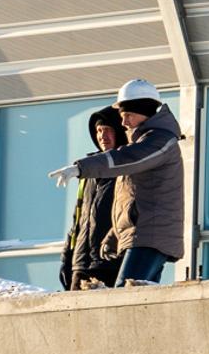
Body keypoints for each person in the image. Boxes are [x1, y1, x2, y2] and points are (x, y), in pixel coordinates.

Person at [49, 79, 183, 287]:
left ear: (144, 111)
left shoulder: (159, 141)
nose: (124, 122)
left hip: (151, 236)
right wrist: (114, 236)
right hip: (142, 235)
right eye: (122, 116)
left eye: (128, 115)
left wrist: (81, 168)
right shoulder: (142, 143)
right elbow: (131, 201)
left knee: (126, 293)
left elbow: (126, 158)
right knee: (141, 295)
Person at [59, 106, 128, 290]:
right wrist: (67, 257)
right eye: (99, 131)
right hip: (81, 263)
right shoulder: (87, 172)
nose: (102, 136)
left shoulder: (128, 168)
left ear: (120, 132)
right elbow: (78, 221)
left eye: (108, 130)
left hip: (111, 261)